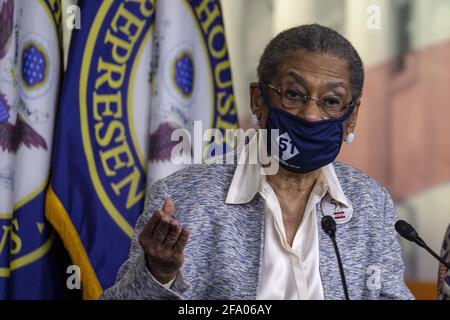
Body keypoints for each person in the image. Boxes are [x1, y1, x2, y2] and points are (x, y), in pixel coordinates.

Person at [102, 24, 413, 300]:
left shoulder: (370, 202)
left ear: (351, 117)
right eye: (294, 94)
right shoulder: (182, 199)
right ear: (258, 100)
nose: (310, 115)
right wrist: (158, 275)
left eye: (331, 101)